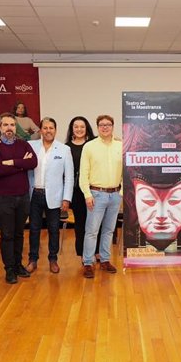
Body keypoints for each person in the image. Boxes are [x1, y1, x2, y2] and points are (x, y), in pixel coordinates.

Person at [0, 112, 38, 284]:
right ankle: (9, 269)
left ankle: (18, 265)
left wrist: (10, 162)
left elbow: (33, 163)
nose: (9, 128)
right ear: (0, 127)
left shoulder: (23, 144)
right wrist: (20, 164)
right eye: (6, 125)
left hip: (22, 196)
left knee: (18, 234)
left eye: (12, 125)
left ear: (16, 127)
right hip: (2, 198)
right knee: (7, 234)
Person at [27, 117, 73, 274]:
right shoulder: (30, 146)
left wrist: (66, 198)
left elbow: (69, 177)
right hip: (35, 194)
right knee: (34, 229)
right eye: (45, 128)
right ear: (40, 130)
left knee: (54, 229)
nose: (48, 131)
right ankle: (32, 260)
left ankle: (53, 259)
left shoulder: (64, 149)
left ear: (55, 130)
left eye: (51, 128)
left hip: (55, 196)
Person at [79, 115, 122, 278]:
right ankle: (88, 263)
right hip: (96, 194)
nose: (105, 127)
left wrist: (122, 192)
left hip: (115, 194)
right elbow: (84, 173)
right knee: (91, 231)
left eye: (108, 124)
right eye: (102, 125)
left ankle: (104, 260)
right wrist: (87, 194)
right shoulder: (89, 146)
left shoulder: (120, 145)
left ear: (113, 126)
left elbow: (126, 170)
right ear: (97, 127)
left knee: (109, 230)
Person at [65, 116, 100, 259]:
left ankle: (97, 252)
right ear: (72, 129)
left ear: (87, 129)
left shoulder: (94, 145)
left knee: (97, 222)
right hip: (77, 191)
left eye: (82, 127)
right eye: (76, 126)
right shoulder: (66, 147)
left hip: (95, 189)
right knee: (80, 223)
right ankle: (83, 254)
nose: (79, 129)